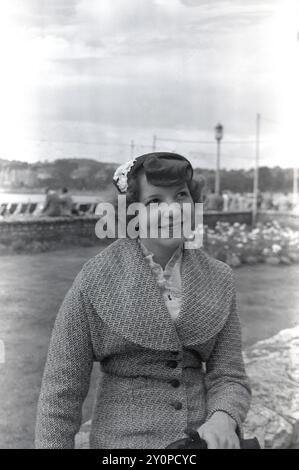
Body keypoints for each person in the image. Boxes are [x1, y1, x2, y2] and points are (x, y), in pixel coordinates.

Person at [35, 152, 251, 449]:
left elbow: (229, 374)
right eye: (154, 202)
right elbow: (61, 393)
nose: (172, 211)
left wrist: (223, 416)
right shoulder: (95, 279)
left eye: (181, 196)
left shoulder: (219, 277)